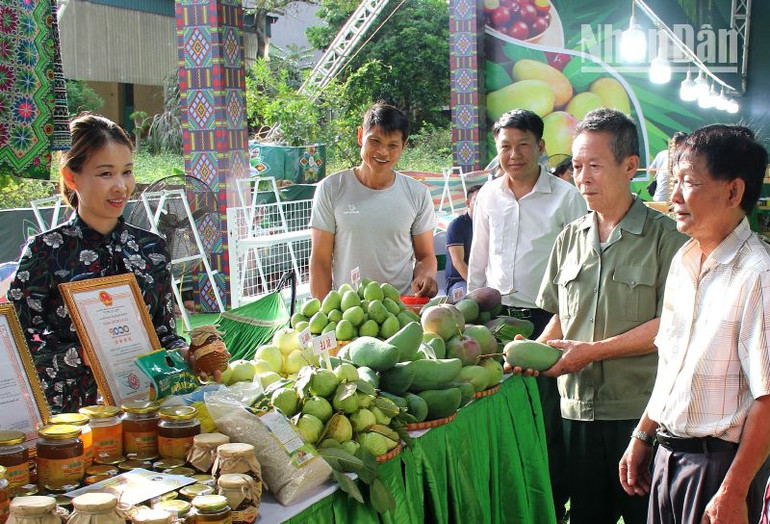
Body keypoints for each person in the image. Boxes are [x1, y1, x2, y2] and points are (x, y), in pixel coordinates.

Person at [532, 108, 687, 524]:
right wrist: (534, 353)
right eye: (578, 166)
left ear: (630, 166)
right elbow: (561, 317)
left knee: (645, 515)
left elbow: (671, 326)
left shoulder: (666, 239)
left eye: (595, 166)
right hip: (576, 411)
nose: (582, 177)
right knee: (586, 516)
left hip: (638, 415)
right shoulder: (569, 239)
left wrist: (592, 352)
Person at [619, 124, 770, 524]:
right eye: (675, 181)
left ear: (734, 192)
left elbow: (768, 397)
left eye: (689, 182)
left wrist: (734, 490)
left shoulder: (758, 274)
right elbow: (672, 365)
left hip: (718, 469)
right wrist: (643, 433)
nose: (675, 196)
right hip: (668, 457)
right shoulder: (684, 261)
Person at [6, 113, 188, 413]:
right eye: (105, 173)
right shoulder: (45, 251)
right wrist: (82, 354)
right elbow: (18, 344)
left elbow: (163, 333)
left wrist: (186, 353)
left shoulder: (151, 249)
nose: (120, 186)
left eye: (127, 172)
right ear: (70, 176)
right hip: (72, 418)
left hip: (145, 410)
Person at [468, 109, 586, 522]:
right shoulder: (488, 195)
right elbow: (478, 262)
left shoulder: (566, 197)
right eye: (505, 147)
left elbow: (579, 265)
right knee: (500, 411)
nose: (513, 155)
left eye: (523, 145)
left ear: (540, 147)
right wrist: (471, 314)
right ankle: (511, 499)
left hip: (546, 318)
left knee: (547, 416)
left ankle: (552, 503)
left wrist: (563, 322)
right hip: (496, 319)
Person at [309, 102, 437, 298]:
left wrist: (425, 276)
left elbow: (425, 256)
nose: (383, 152)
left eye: (392, 145)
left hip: (401, 312)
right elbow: (320, 261)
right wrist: (323, 315)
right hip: (348, 314)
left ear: (404, 146)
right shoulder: (331, 188)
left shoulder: (418, 194)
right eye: (375, 141)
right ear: (361, 136)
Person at [444, 184, 482, 297]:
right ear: (468, 203)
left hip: (484, 281)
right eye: (477, 200)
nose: (482, 205)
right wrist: (476, 287)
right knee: (472, 301)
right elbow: (458, 262)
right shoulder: (457, 225)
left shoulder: (490, 224)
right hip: (458, 282)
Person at [648, 131, 687, 202]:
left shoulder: (662, 154)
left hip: (658, 198)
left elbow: (651, 170)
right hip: (670, 201)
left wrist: (659, 175)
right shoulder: (682, 157)